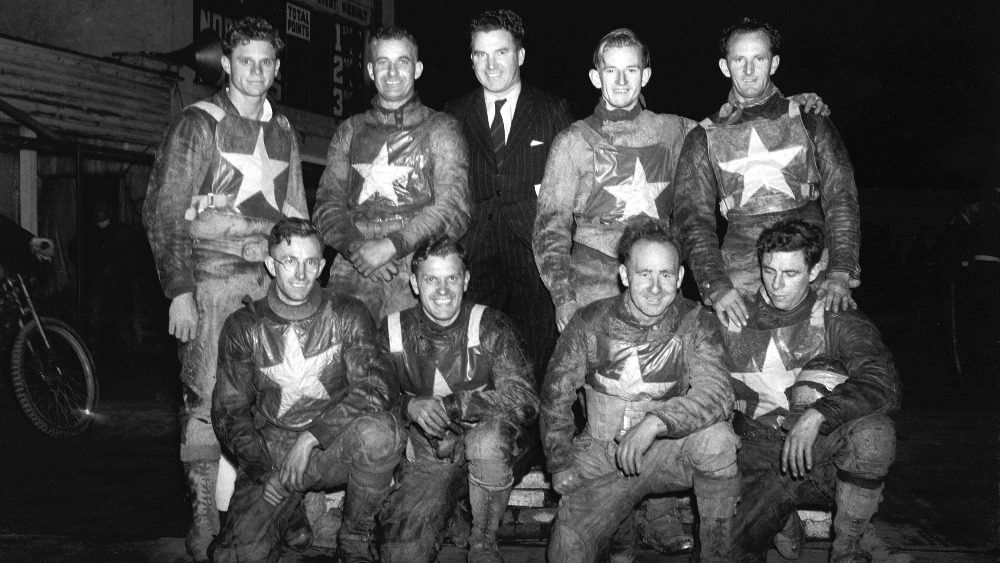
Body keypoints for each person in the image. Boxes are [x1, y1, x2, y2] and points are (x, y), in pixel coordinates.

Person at [142, 16, 307, 561]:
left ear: (276, 68)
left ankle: (272, 509)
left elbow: (297, 214)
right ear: (228, 64)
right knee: (205, 396)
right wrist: (179, 290)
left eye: (266, 62)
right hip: (212, 283)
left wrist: (304, 283)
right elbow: (164, 211)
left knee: (275, 397)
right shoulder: (197, 123)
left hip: (271, 282)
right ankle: (202, 515)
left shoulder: (283, 131)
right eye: (245, 61)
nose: (256, 71)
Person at [540, 218, 740, 563]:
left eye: (666, 275)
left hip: (667, 449)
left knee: (718, 441)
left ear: (680, 277)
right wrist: (559, 462)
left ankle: (715, 555)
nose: (655, 288)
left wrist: (654, 423)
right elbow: (556, 394)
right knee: (565, 555)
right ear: (624, 275)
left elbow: (718, 393)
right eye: (644, 274)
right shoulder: (590, 321)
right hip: (603, 452)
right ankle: (621, 528)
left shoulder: (695, 321)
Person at [209, 218, 405, 563]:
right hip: (273, 450)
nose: (301, 273)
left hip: (335, 441)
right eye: (290, 261)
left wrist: (311, 438)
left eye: (310, 262)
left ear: (322, 266)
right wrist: (262, 471)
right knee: (237, 557)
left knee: (382, 434)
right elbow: (229, 412)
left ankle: (355, 538)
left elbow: (376, 387)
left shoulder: (347, 313)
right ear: (271, 265)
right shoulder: (243, 326)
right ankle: (290, 511)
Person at [724, 219, 901, 562]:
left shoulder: (837, 317)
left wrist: (818, 414)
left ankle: (848, 547)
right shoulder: (735, 316)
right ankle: (781, 517)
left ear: (815, 270)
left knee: (874, 433)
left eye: (790, 273)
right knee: (724, 553)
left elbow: (883, 380)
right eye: (769, 271)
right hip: (759, 453)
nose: (777, 284)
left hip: (821, 450)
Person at [671, 17, 860, 332]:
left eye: (758, 59)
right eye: (739, 60)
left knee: (840, 340)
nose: (748, 70)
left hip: (812, 259)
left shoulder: (810, 121)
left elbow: (842, 198)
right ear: (724, 66)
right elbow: (693, 220)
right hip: (740, 267)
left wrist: (840, 273)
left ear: (774, 63)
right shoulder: (703, 137)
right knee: (726, 347)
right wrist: (716, 286)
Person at [377, 235, 539, 563]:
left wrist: (453, 405)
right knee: (401, 554)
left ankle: (483, 541)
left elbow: (526, 400)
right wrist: (408, 406)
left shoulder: (491, 325)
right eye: (431, 280)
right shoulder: (392, 331)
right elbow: (368, 398)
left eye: (451, 278)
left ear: (465, 281)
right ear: (414, 284)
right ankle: (449, 509)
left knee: (487, 443)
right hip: (430, 455)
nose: (443, 290)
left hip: (489, 448)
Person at [445, 9, 573, 383]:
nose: (491, 64)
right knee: (475, 358)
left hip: (534, 254)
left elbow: (570, 189)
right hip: (474, 253)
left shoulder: (552, 110)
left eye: (501, 52)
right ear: (471, 60)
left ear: (520, 54)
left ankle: (531, 422)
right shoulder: (454, 113)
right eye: (481, 54)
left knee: (536, 360)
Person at [313, 26, 470, 321]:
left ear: (417, 69)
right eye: (383, 62)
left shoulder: (442, 128)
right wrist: (358, 248)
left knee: (409, 350)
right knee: (341, 346)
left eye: (402, 62)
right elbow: (326, 206)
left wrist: (391, 246)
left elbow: (454, 209)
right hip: (356, 263)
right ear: (371, 71)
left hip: (418, 262)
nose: (393, 72)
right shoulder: (349, 131)